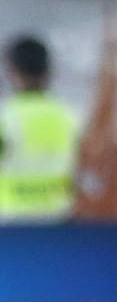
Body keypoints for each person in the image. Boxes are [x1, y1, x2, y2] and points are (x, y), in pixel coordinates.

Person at [0, 35, 81, 220]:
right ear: (48, 71)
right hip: (58, 219)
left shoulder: (5, 118)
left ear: (12, 71)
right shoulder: (69, 115)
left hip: (11, 223)